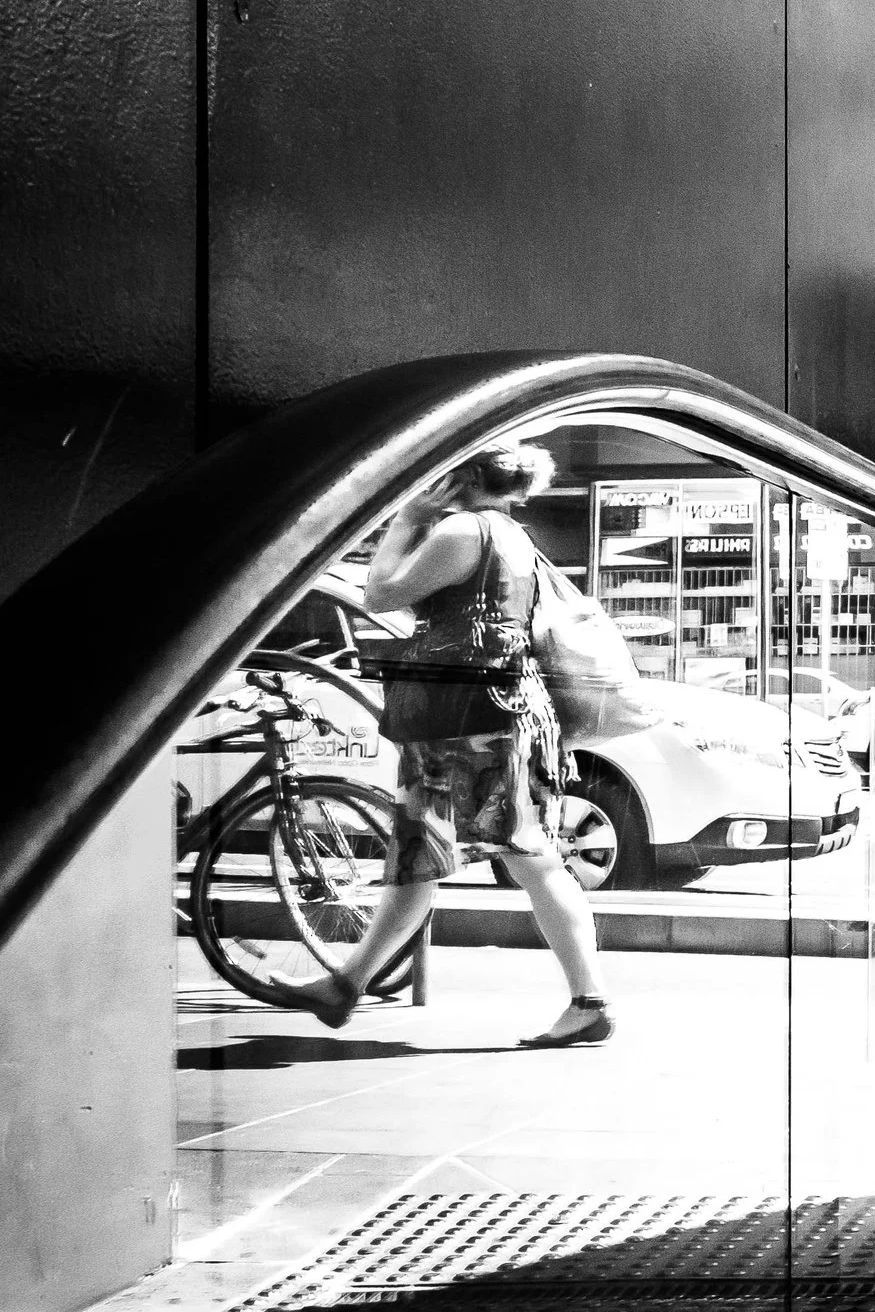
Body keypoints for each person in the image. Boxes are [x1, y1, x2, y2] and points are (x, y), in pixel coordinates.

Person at [260, 443, 614, 1048]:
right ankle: (347, 984)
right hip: (491, 714)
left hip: (462, 720)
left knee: (513, 856)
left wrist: (404, 520)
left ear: (463, 476)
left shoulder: (462, 532)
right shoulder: (509, 534)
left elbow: (380, 595)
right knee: (441, 855)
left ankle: (589, 1001)